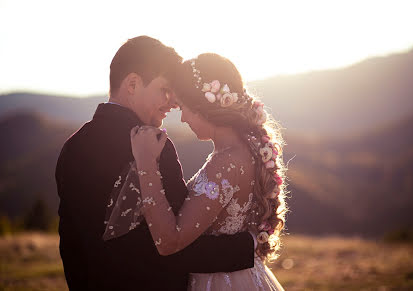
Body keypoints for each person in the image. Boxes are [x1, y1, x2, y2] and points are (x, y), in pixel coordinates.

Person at [56, 36, 255, 291]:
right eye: (164, 90)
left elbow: (71, 243)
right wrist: (247, 246)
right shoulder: (155, 147)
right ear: (133, 84)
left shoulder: (72, 147)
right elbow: (173, 244)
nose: (172, 102)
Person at [106, 53, 287, 290]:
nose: (182, 118)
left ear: (203, 106)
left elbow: (170, 241)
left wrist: (146, 163)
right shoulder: (247, 150)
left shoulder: (225, 164)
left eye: (184, 107)